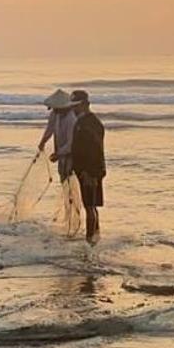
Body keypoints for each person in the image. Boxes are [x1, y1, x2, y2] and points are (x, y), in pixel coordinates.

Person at [69, 90, 105, 243]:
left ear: (84, 104)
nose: (73, 109)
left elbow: (96, 151)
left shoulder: (92, 124)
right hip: (83, 170)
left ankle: (91, 240)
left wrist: (91, 173)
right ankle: (94, 237)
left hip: (90, 171)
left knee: (90, 207)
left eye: (75, 106)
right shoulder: (80, 122)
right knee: (89, 205)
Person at [38, 88, 77, 180]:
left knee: (70, 176)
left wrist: (58, 154)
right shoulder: (55, 114)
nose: (54, 110)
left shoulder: (71, 119)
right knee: (62, 176)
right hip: (61, 150)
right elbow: (50, 129)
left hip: (72, 153)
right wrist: (43, 142)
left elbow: (71, 143)